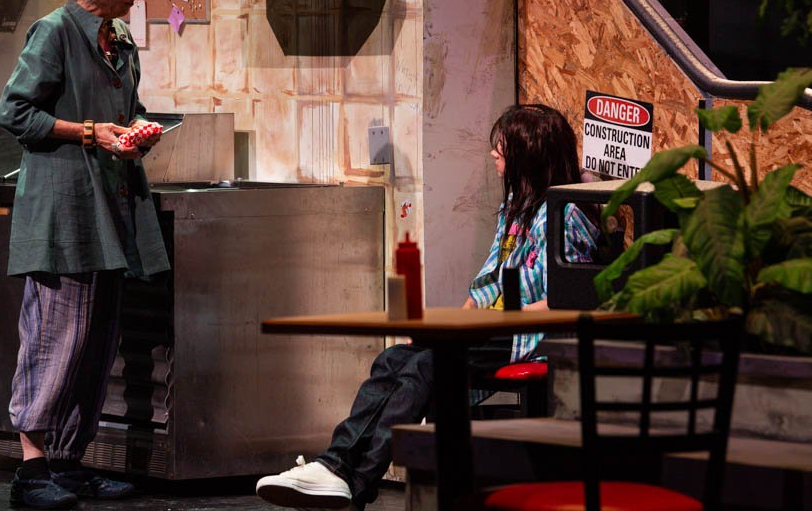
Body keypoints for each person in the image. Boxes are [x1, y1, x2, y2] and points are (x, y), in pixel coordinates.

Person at [255, 104, 599, 510]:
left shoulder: (567, 215)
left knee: (426, 365)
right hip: (492, 328)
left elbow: (572, 299)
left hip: (528, 336)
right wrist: (460, 319)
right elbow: (488, 282)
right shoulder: (515, 210)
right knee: (393, 358)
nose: (493, 154)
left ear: (528, 151)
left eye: (501, 147)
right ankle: (342, 472)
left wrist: (497, 321)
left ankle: (346, 475)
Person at [0, 0, 168, 510]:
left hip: (110, 209)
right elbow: (16, 113)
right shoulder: (55, 33)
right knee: (54, 339)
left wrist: (138, 132)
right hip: (64, 209)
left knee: (96, 343)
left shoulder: (119, 40)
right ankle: (32, 468)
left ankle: (69, 463)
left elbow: (128, 109)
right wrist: (91, 132)